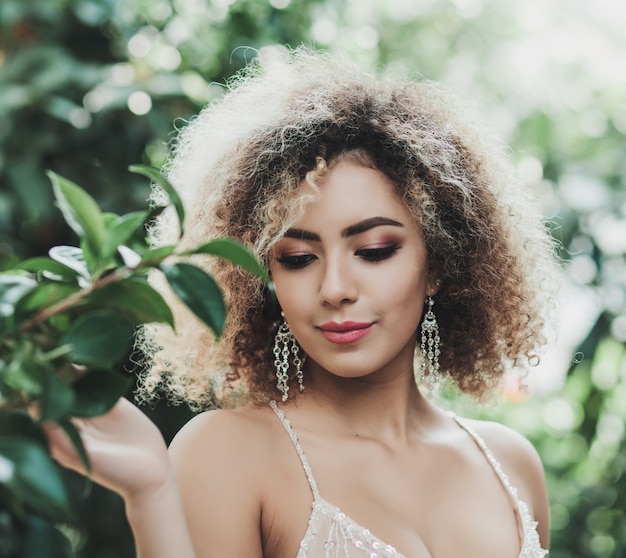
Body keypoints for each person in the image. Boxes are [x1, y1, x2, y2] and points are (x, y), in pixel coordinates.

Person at [46, 47, 560, 557]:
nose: (335, 288)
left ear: (440, 266)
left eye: (374, 251)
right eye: (296, 258)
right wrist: (150, 494)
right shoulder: (226, 453)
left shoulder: (510, 464)